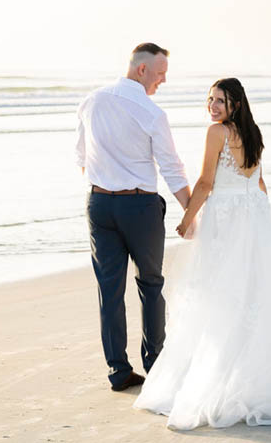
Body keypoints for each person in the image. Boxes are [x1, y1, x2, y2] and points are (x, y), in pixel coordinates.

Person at [133, 78, 271, 429]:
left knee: (219, 297)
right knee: (252, 295)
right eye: (210, 99)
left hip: (226, 221)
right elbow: (258, 183)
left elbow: (207, 182)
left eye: (221, 101)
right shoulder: (253, 133)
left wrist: (187, 218)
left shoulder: (217, 133)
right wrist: (267, 223)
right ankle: (259, 378)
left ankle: (221, 379)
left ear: (235, 105)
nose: (213, 106)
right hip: (252, 218)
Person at [75, 42, 191, 392]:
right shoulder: (152, 113)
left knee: (109, 290)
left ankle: (118, 371)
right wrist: (192, 212)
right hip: (139, 208)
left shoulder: (90, 101)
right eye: (160, 74)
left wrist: (106, 182)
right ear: (142, 70)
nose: (163, 81)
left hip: (98, 205)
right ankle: (155, 364)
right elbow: (172, 168)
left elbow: (80, 156)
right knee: (151, 284)